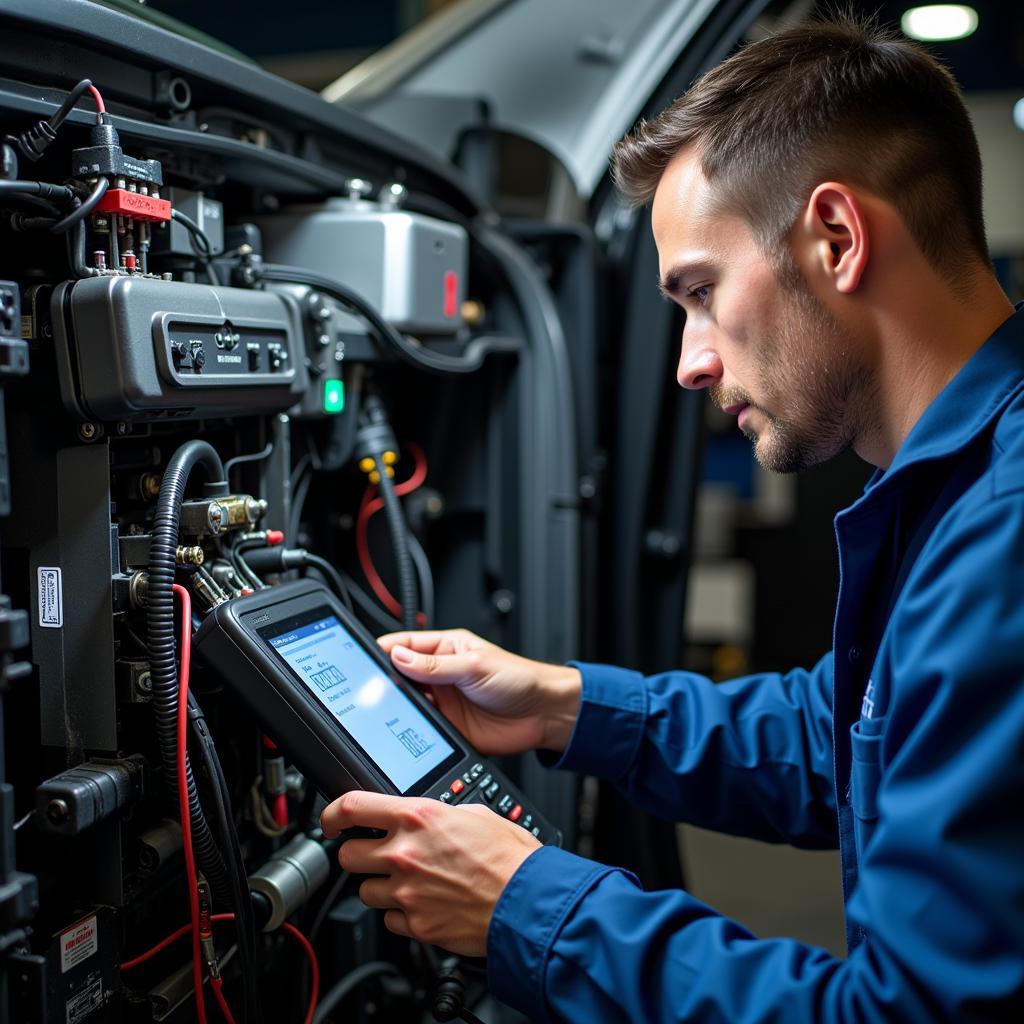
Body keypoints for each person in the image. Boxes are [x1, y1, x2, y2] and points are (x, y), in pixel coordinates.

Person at [321, 16, 1024, 1021]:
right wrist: (562, 704)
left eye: (699, 292)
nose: (691, 360)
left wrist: (531, 905)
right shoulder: (957, 489)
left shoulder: (1001, 534)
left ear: (836, 237)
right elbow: (847, 736)